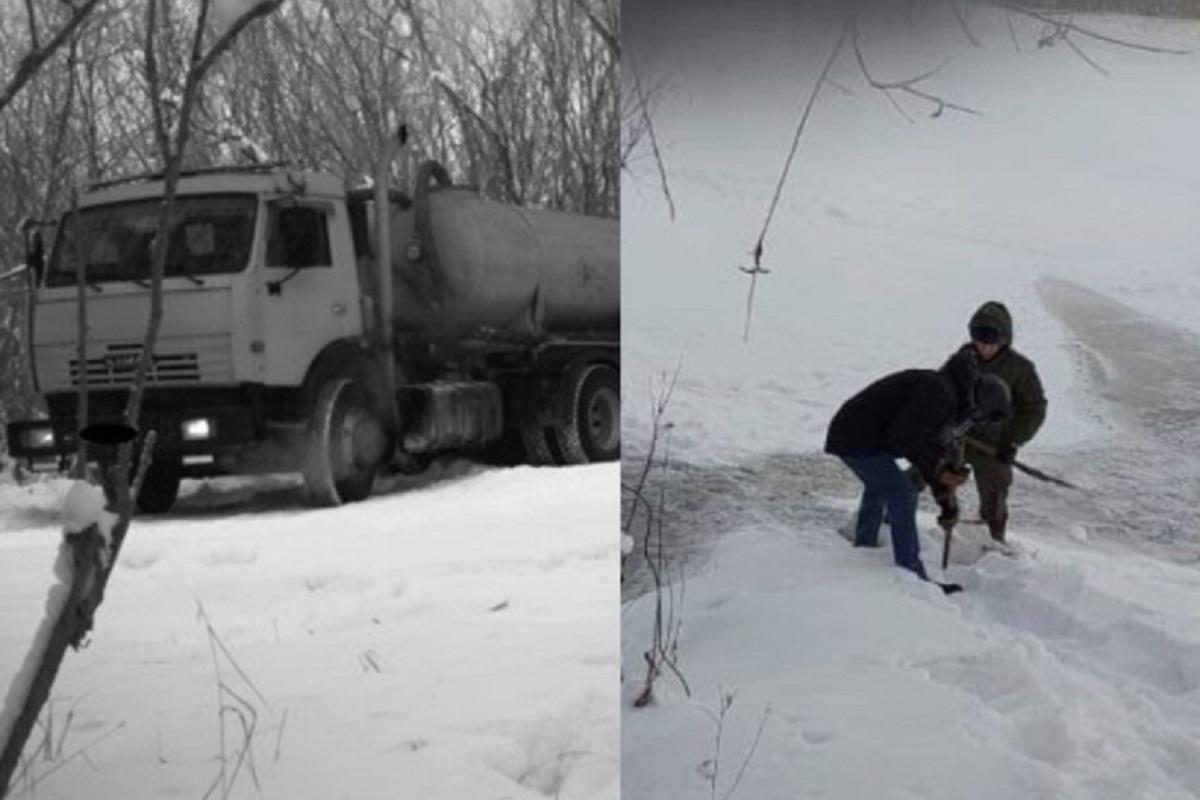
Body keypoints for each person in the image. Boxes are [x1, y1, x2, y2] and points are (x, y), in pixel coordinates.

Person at [825, 350, 1012, 591]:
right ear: (978, 406)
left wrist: (947, 504)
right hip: (854, 435)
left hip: (866, 437)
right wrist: (938, 468)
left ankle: (865, 549)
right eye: (981, 418)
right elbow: (904, 437)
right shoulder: (939, 394)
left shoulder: (950, 402)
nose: (976, 422)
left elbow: (934, 456)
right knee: (902, 493)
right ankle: (910, 573)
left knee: (882, 486)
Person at [946, 301, 1047, 543]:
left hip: (993, 445)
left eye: (992, 342)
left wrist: (1012, 440)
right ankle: (892, 517)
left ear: (1005, 339)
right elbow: (941, 390)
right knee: (920, 473)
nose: (986, 347)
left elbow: (1034, 409)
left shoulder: (1020, 369)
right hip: (956, 437)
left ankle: (994, 539)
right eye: (980, 340)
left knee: (995, 492)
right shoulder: (961, 360)